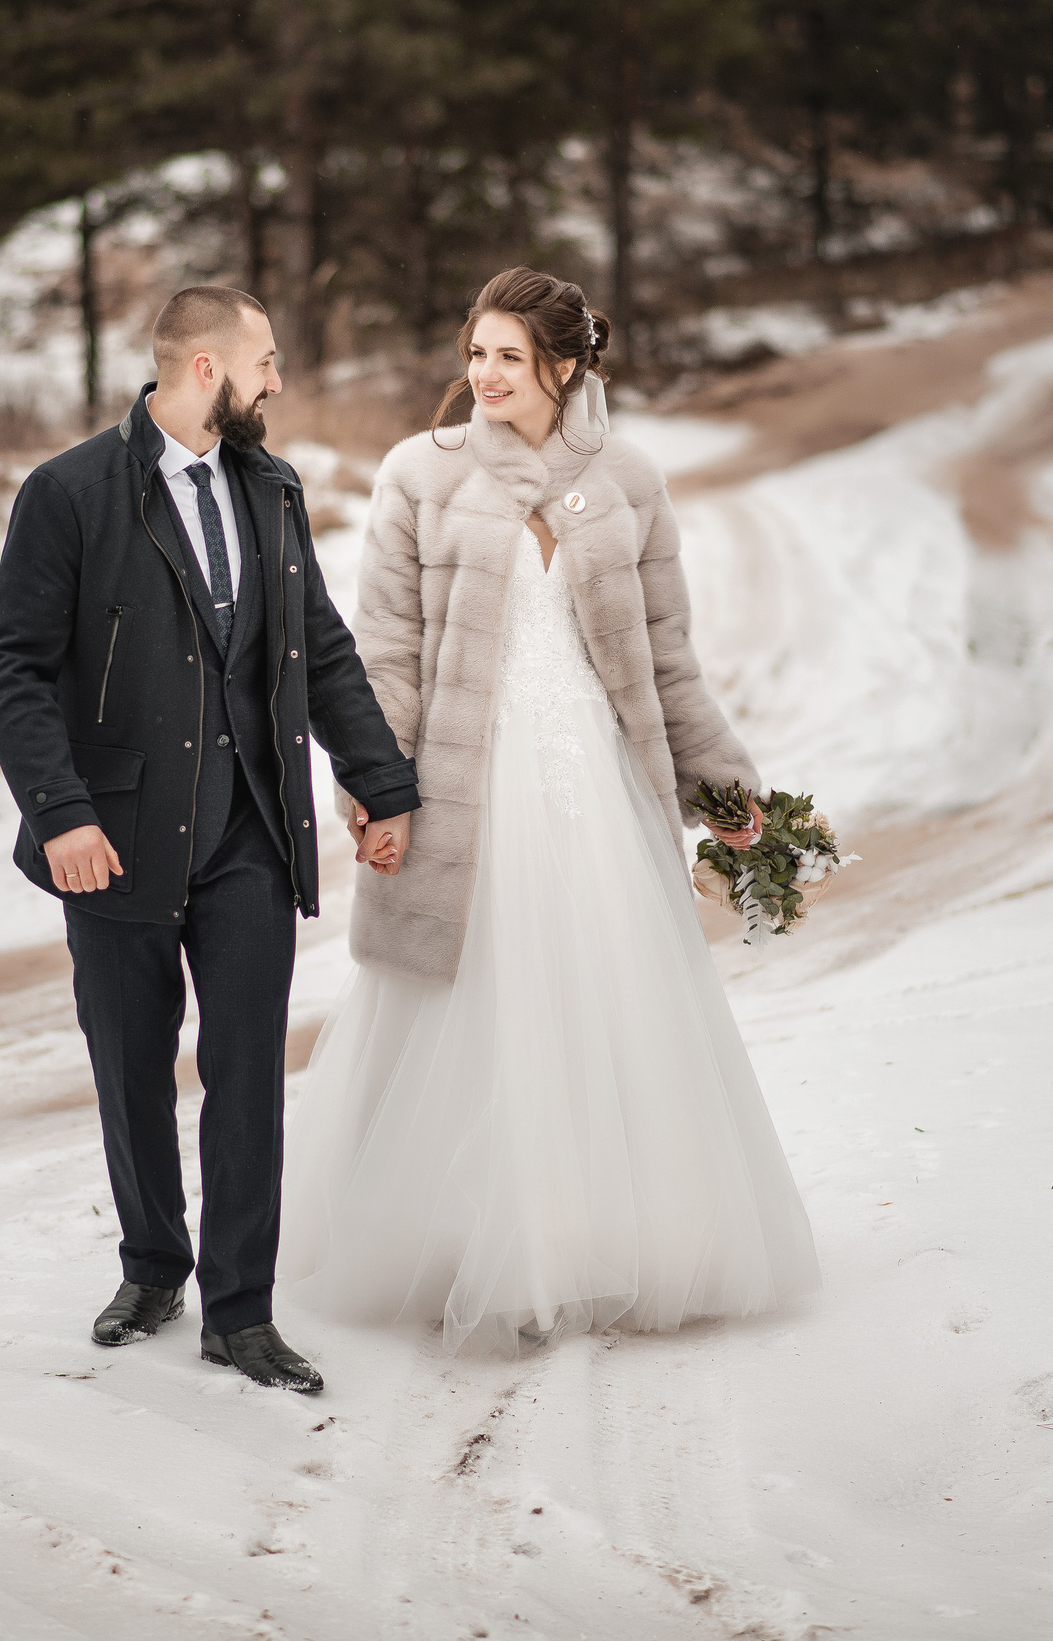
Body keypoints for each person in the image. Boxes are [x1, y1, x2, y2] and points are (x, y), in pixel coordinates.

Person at [279, 267, 820, 1354]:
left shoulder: (625, 480)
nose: (482, 375)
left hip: (593, 786)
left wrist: (725, 791)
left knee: (600, 1005)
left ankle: (607, 1237)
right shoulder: (415, 478)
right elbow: (382, 653)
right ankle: (459, 1237)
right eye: (474, 353)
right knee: (471, 1005)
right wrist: (372, 792)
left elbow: (668, 658)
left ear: (565, 366)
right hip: (464, 786)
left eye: (508, 358)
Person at [0, 286, 419, 1393]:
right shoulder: (70, 493)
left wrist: (378, 782)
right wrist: (61, 813)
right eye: (265, 361)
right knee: (131, 1068)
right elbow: (14, 668)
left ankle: (240, 1310)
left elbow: (318, 650)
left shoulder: (271, 488)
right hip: (114, 838)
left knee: (246, 1074)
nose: (279, 380)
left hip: (249, 834)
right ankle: (152, 1265)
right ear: (208, 369)